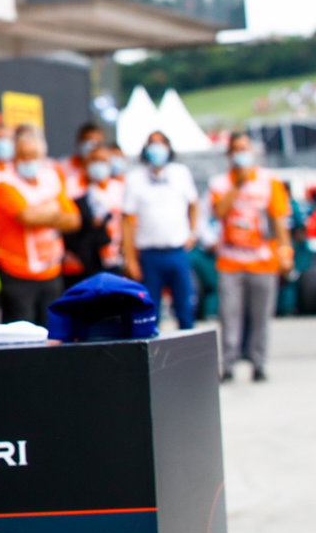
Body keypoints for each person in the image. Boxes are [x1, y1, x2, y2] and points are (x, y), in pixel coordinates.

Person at [209, 132, 293, 382]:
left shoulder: (269, 181)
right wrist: (238, 185)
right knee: (229, 315)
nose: (241, 154)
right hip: (230, 260)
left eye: (245, 149)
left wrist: (285, 251)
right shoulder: (220, 183)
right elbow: (219, 213)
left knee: (261, 317)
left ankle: (259, 363)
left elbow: (279, 220)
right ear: (229, 155)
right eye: (236, 149)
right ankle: (228, 363)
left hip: (263, 260)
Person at [0, 125, 79, 325]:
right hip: (17, 274)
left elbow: (73, 219)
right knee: (21, 338)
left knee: (52, 333)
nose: (29, 160)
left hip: (51, 271)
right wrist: (53, 209)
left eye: (33, 155)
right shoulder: (4, 184)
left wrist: (43, 213)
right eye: (23, 155)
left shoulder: (52, 178)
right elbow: (28, 218)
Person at [121, 131, 199, 329]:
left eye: (161, 143)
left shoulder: (180, 173)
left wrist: (192, 232)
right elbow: (127, 220)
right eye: (152, 144)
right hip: (149, 254)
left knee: (184, 307)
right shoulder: (135, 178)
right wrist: (130, 258)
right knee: (150, 311)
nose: (157, 148)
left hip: (177, 251)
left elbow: (194, 204)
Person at [86, 144, 127, 274]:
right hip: (88, 262)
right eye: (95, 160)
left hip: (117, 259)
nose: (98, 165)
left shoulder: (121, 189)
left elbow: (130, 224)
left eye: (103, 161)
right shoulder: (77, 190)